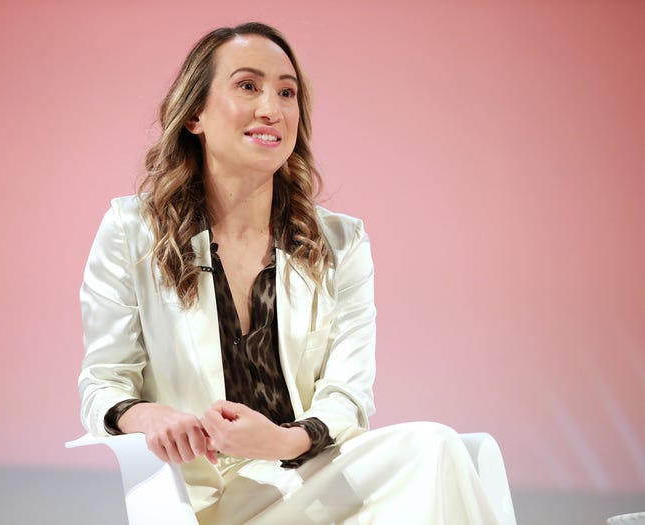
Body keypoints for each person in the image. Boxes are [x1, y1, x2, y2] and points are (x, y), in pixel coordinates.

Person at [78, 21, 514, 525]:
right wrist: (149, 415)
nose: (272, 108)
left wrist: (284, 441)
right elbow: (103, 384)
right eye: (248, 86)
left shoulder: (340, 243)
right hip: (203, 495)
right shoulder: (133, 230)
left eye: (287, 93)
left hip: (306, 476)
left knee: (437, 447)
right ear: (195, 114)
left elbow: (347, 394)